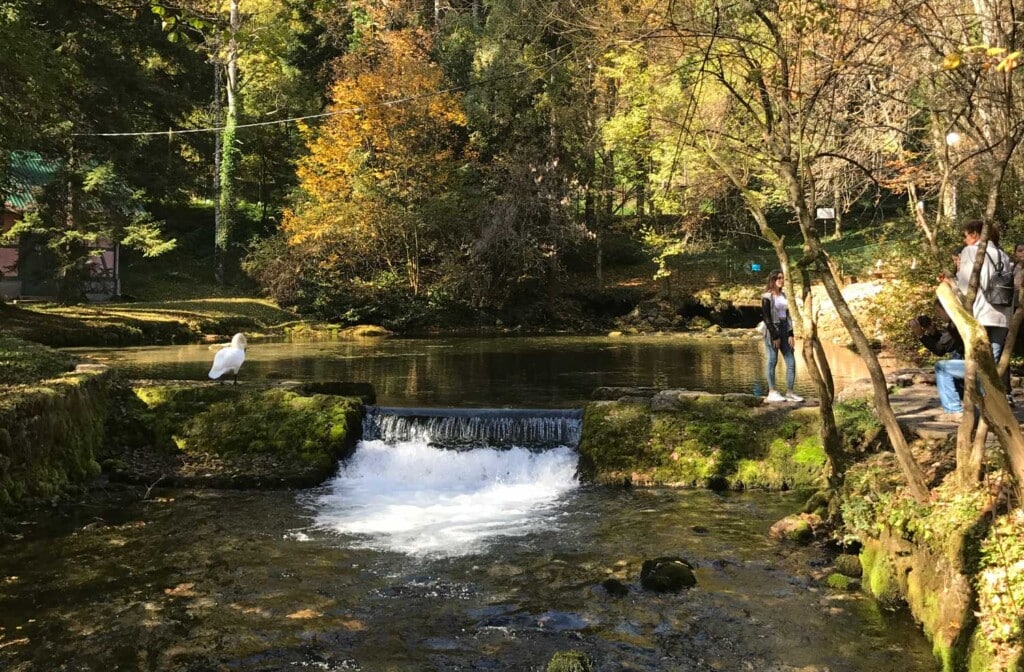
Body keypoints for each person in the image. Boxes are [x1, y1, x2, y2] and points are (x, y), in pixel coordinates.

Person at [954, 219, 1014, 407]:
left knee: (979, 363)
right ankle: (996, 403)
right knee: (993, 363)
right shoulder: (1003, 255)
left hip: (981, 313)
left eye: (965, 236)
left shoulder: (971, 252)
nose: (964, 241)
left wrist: (952, 283)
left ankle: (984, 407)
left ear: (975, 234)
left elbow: (965, 286)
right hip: (1002, 315)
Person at [907, 302, 965, 419]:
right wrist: (933, 332)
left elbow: (940, 349)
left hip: (976, 368)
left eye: (938, 311)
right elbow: (948, 343)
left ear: (947, 310)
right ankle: (960, 406)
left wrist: (920, 335)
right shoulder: (960, 320)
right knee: (955, 356)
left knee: (942, 367)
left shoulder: (957, 324)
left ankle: (954, 410)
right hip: (974, 364)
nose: (938, 315)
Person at [760, 270, 803, 403]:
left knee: (791, 361)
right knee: (772, 360)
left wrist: (791, 333)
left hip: (785, 328)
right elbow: (766, 318)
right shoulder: (766, 296)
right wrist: (774, 336)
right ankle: (772, 392)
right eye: (778, 278)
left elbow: (787, 315)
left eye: (782, 278)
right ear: (772, 280)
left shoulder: (783, 295)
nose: (781, 280)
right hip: (772, 330)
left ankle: (790, 392)